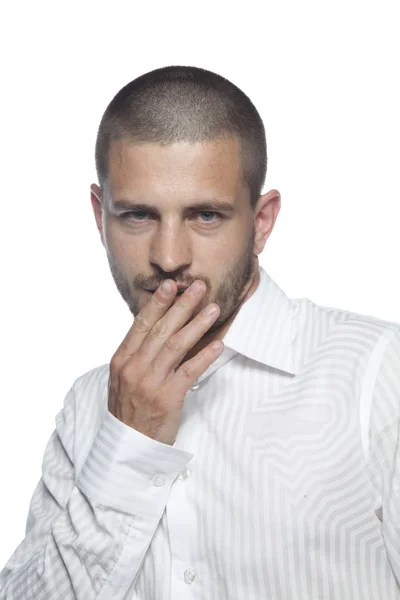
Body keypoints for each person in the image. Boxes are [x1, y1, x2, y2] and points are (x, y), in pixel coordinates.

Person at [0, 65, 399, 600]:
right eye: (138, 215)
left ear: (261, 222)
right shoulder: (88, 405)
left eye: (206, 216)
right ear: (100, 217)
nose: (169, 258)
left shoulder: (379, 376)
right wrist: (127, 443)